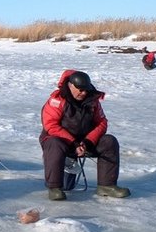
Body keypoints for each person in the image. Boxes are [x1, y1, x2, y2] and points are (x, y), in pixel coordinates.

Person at [39, 70, 130, 200]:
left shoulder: (93, 101)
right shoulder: (56, 100)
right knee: (53, 143)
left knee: (109, 141)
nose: (84, 93)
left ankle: (107, 186)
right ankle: (55, 188)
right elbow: (51, 125)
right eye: (80, 89)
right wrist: (74, 143)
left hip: (85, 142)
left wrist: (87, 142)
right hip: (61, 140)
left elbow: (102, 123)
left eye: (86, 90)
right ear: (70, 85)